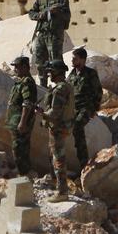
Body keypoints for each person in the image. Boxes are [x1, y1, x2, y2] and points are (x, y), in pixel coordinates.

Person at [36, 60, 75, 202]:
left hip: (58, 128)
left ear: (58, 72)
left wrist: (41, 112)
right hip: (59, 127)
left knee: (58, 160)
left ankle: (62, 191)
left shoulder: (60, 90)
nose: (49, 74)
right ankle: (58, 185)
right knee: (56, 157)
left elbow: (55, 113)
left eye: (51, 72)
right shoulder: (64, 87)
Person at [28, 0, 71, 88]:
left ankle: (60, 85)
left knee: (56, 61)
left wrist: (56, 12)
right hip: (42, 33)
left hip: (54, 34)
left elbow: (66, 13)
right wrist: (41, 15)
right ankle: (43, 85)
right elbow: (31, 13)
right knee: (39, 59)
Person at [67, 47, 102, 174]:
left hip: (85, 107)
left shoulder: (90, 73)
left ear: (82, 59)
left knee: (77, 127)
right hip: (73, 108)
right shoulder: (71, 74)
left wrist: (94, 108)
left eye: (75, 58)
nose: (72, 60)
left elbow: (98, 91)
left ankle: (84, 162)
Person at [5, 56, 37, 177]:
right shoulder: (21, 81)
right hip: (15, 120)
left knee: (19, 148)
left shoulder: (27, 82)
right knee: (19, 148)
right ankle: (23, 172)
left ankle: (23, 173)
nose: (15, 69)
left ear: (25, 67)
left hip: (21, 121)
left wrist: (23, 122)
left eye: (17, 67)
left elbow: (27, 103)